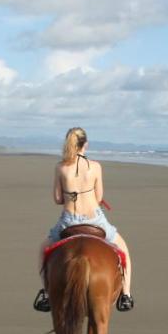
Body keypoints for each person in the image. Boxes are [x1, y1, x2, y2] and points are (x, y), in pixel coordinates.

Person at [33, 127, 134, 312]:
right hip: (94, 220)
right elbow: (98, 197)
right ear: (85, 144)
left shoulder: (60, 167)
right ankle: (126, 295)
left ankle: (47, 294)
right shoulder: (95, 166)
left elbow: (57, 199)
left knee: (42, 250)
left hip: (69, 221)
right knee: (124, 250)